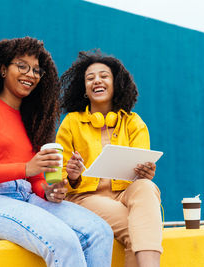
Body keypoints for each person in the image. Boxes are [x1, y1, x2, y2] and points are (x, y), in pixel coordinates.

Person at [0, 37, 114, 267]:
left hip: (26, 197)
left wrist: (48, 191)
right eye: (22, 66)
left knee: (100, 231)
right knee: (63, 240)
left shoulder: (33, 121)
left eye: (37, 70)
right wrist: (27, 168)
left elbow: (36, 179)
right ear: (3, 69)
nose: (31, 74)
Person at [56, 50, 162, 267]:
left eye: (104, 76)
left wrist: (146, 173)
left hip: (125, 193)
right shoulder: (71, 123)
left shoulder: (134, 122)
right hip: (85, 197)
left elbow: (141, 172)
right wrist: (72, 176)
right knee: (138, 230)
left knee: (146, 187)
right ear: (85, 89)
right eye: (90, 78)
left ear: (116, 84)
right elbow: (56, 178)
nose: (97, 80)